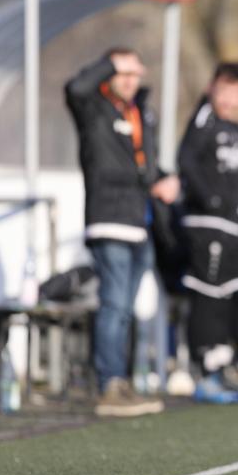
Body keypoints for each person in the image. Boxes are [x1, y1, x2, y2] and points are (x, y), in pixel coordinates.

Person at [65, 47, 178, 416]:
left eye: (134, 73)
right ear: (109, 74)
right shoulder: (93, 107)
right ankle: (109, 384)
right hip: (108, 218)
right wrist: (111, 62)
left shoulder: (142, 112)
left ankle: (123, 382)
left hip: (139, 223)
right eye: (121, 72)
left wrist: (163, 180)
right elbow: (76, 87)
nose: (129, 80)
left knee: (126, 309)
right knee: (113, 306)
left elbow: (143, 166)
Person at [177, 61, 238, 401]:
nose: (233, 98)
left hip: (236, 229)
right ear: (213, 88)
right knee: (208, 296)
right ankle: (204, 367)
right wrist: (210, 198)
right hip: (207, 224)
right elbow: (186, 160)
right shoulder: (205, 119)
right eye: (226, 89)